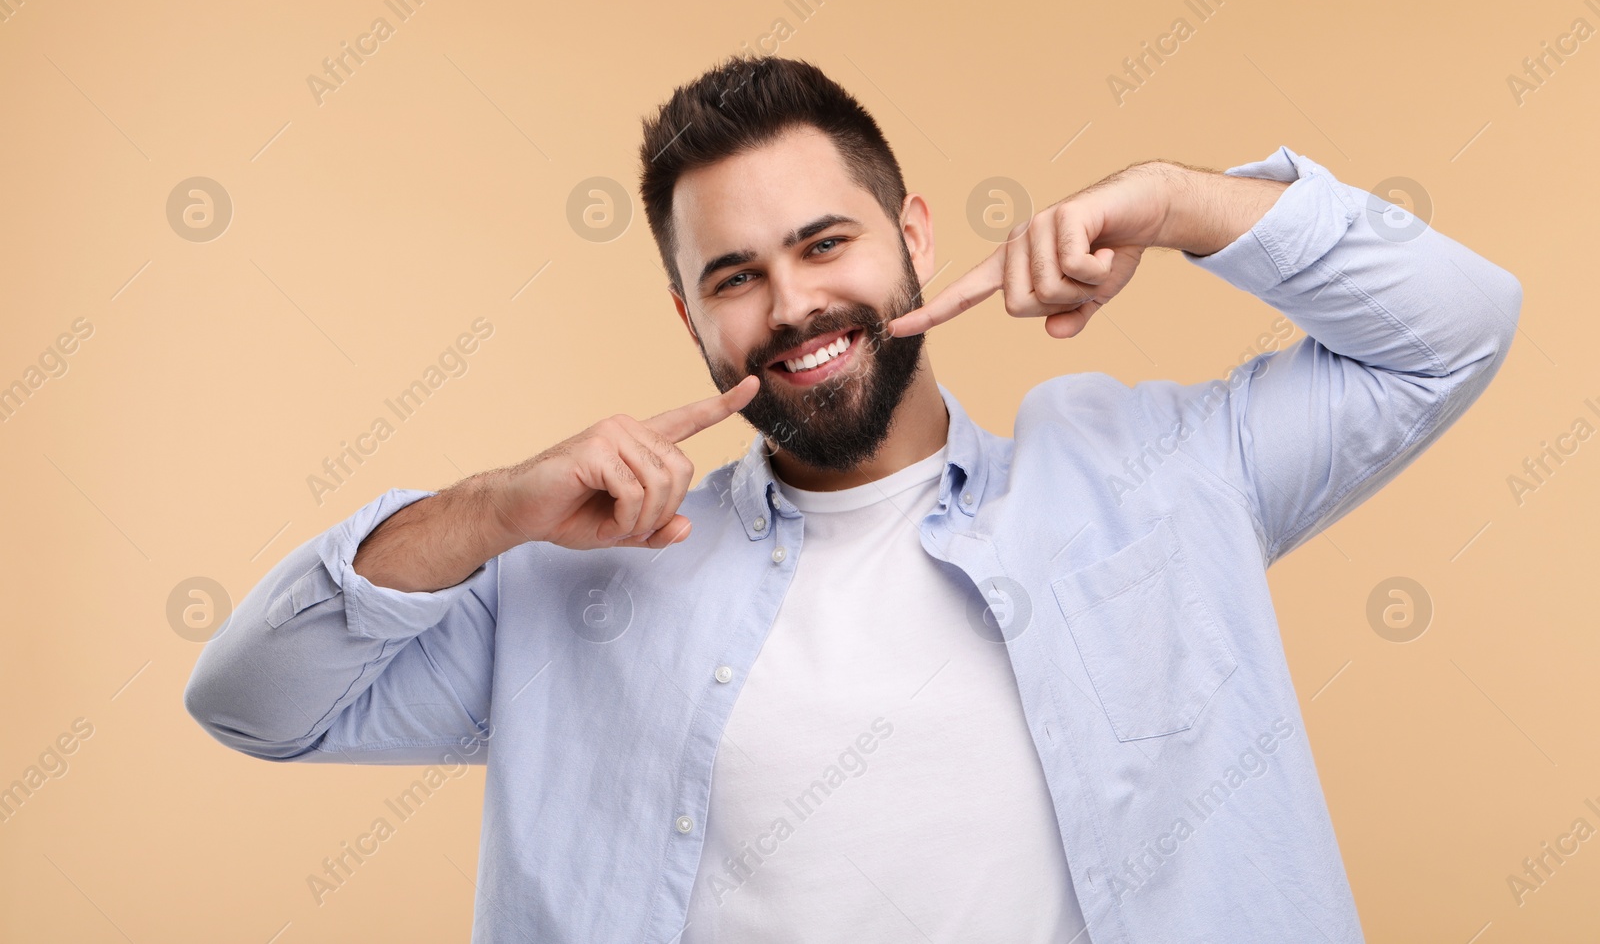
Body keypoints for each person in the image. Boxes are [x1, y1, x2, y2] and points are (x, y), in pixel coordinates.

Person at [185, 55, 1521, 943]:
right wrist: (492, 511)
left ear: (915, 240)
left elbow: (1455, 326)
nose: (794, 307)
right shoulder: (580, 583)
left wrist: (1173, 201)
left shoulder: (1161, 477)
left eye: (827, 244)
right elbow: (252, 702)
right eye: (736, 276)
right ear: (689, 317)